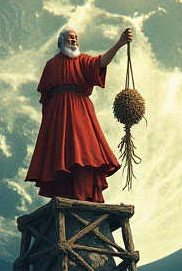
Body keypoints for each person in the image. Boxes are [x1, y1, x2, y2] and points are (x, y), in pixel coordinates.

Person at [25, 27, 133, 202]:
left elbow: (102, 62)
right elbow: (45, 97)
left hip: (80, 112)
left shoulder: (83, 61)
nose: (74, 40)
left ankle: (84, 193)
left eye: (75, 37)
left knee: (85, 151)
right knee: (60, 153)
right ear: (60, 42)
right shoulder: (51, 65)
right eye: (69, 37)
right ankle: (64, 194)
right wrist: (49, 124)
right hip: (57, 115)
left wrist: (119, 43)